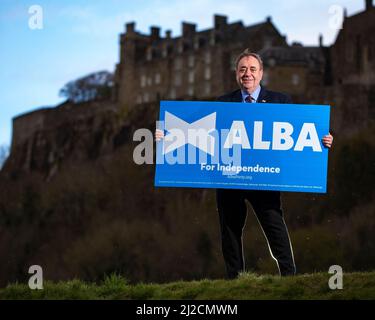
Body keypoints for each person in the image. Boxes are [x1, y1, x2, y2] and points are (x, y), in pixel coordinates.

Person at [155, 48, 333, 279]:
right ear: (236, 74)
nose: (247, 73)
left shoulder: (281, 101)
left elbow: (304, 129)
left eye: (252, 69)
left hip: (265, 177)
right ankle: (236, 280)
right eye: (242, 69)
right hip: (229, 176)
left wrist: (326, 138)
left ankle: (289, 276)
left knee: (274, 225)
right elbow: (195, 128)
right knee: (229, 230)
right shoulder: (223, 102)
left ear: (261, 74)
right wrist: (166, 135)